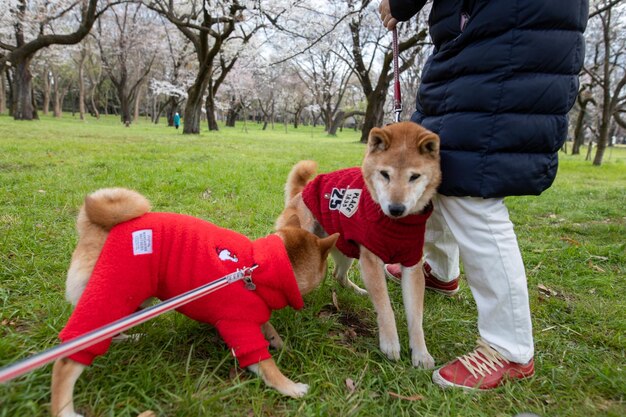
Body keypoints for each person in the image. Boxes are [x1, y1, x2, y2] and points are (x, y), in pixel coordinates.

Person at [379, 0, 589, 390]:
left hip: (508, 37)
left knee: (473, 191)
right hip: (490, 36)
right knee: (445, 174)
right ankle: (441, 271)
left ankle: (508, 346)